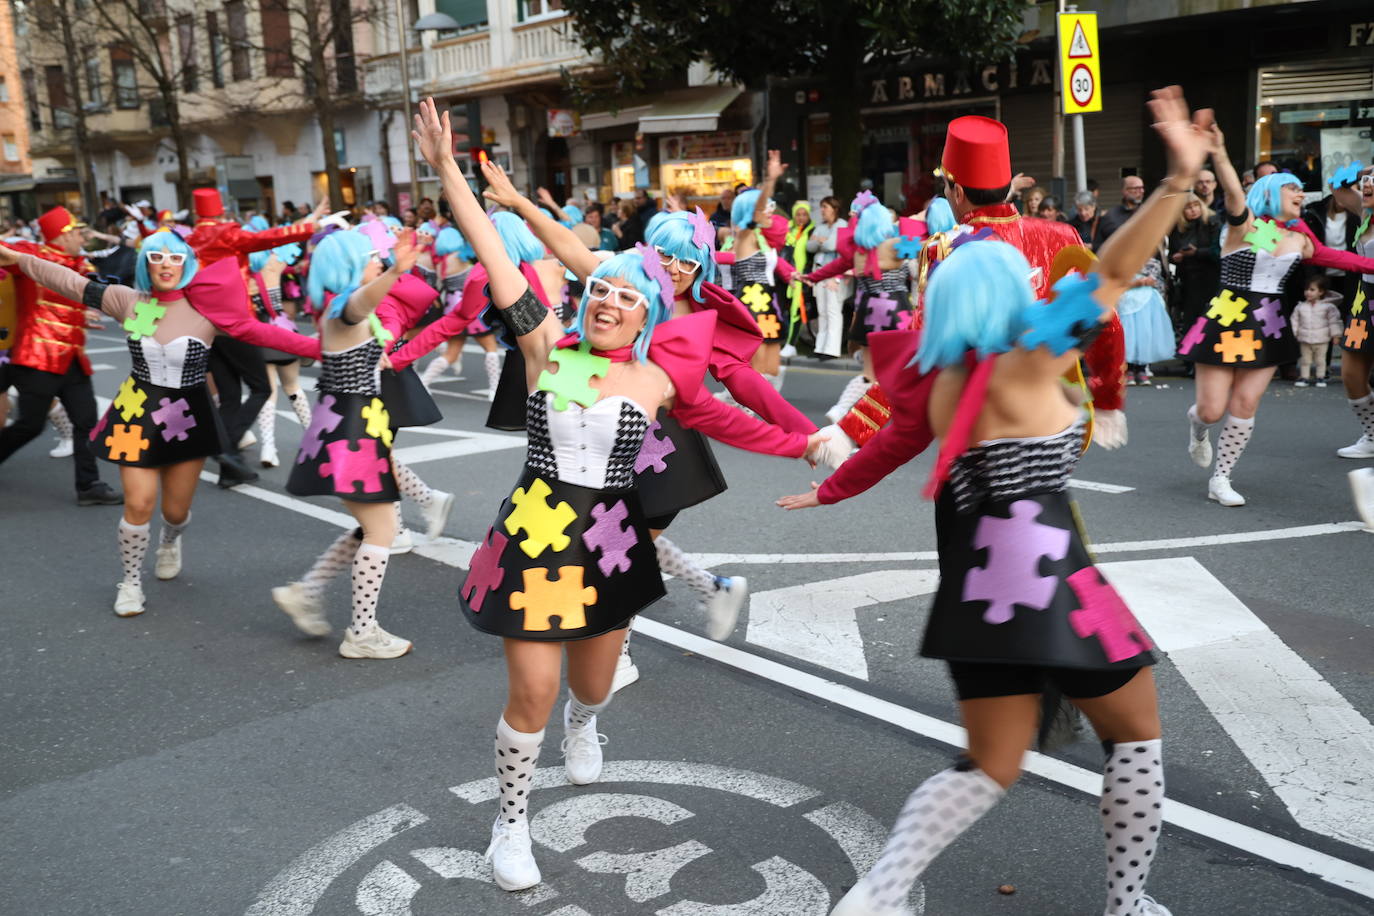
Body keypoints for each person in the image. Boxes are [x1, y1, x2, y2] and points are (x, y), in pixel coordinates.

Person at [782, 84, 1210, 916]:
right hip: (1048, 565)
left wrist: (831, 491)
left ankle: (879, 891)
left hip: (975, 577)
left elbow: (896, 440)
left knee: (990, 761)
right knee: (1138, 732)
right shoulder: (1031, 359)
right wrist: (1175, 181)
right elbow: (1119, 269)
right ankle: (1126, 903)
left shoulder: (941, 383)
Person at [409, 97, 823, 894]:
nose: (607, 301)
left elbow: (731, 422)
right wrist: (447, 172)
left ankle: (586, 722)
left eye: (627, 296)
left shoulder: (659, 379)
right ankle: (510, 825)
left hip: (608, 541)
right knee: (528, 689)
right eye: (600, 289)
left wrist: (809, 444)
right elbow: (496, 253)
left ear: (648, 314)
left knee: (590, 685)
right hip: (532, 534)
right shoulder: (545, 348)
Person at [0, 230, 320, 615]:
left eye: (174, 258)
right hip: (136, 412)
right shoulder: (127, 300)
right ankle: (131, 582)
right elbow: (68, 280)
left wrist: (334, 350)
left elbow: (265, 333)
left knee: (175, 512)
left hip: (188, 416)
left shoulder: (206, 310)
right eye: (157, 257)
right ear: (146, 263)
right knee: (138, 503)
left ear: (186, 263)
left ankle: (170, 539)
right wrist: (16, 257)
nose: (166, 265)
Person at [1179, 129, 1374, 506]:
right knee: (1210, 409)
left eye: (1302, 189)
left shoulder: (1300, 238)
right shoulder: (1247, 227)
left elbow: (1342, 259)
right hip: (1227, 316)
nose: (1302, 194)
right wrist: (1219, 154)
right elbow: (1234, 195)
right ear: (1271, 194)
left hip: (1267, 321)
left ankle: (1221, 478)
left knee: (1246, 403)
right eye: (1292, 189)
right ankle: (1198, 430)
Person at [271, 228, 435, 657]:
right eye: (372, 256)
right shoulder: (347, 309)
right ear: (348, 264)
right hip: (352, 431)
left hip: (355, 427)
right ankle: (361, 632)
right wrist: (397, 270)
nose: (378, 261)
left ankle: (306, 591)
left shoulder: (347, 314)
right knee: (382, 529)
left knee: (371, 525)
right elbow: (360, 304)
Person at [0, 206, 122, 505]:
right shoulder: (31, 255)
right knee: (30, 424)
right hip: (39, 356)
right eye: (78, 232)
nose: (83, 237)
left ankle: (89, 485)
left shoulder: (79, 264)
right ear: (62, 235)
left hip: (72, 358)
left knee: (87, 421)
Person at [1336, 167, 1374, 457]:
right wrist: (1358, 171)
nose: (1369, 186)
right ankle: (1372, 434)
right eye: (1367, 182)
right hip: (1365, 298)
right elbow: (1336, 186)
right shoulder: (1365, 213)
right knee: (1351, 371)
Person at [1120, 251, 1176, 386]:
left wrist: (1143, 282)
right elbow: (1120, 282)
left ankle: (1141, 369)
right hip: (1128, 301)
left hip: (1148, 302)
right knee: (1129, 335)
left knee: (1145, 334)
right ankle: (1129, 370)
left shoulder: (1153, 263)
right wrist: (1138, 282)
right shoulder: (1123, 261)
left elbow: (1155, 281)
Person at [1166, 192, 1221, 329]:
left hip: (1211, 276)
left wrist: (1196, 252)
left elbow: (1219, 251)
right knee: (1191, 319)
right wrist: (1176, 257)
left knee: (1211, 318)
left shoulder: (1212, 221)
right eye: (1188, 207)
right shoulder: (1178, 228)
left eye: (1196, 205)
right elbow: (1171, 253)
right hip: (1188, 279)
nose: (1193, 210)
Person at [806, 195, 850, 358]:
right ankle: (820, 346)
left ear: (834, 209)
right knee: (822, 311)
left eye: (825, 207)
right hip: (820, 272)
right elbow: (809, 246)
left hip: (835, 275)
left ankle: (832, 349)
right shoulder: (821, 226)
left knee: (833, 310)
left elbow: (833, 245)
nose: (822, 210)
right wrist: (822, 241)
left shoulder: (842, 225)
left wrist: (819, 241)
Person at [1291, 275, 1343, 387]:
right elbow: (1294, 321)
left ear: (1321, 292)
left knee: (1320, 360)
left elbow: (1334, 321)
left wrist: (1336, 335)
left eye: (1312, 290)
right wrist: (1294, 333)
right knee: (1305, 360)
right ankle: (1304, 377)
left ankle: (1320, 377)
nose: (1308, 292)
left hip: (1322, 339)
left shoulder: (1328, 307)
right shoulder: (1300, 307)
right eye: (1306, 289)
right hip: (1305, 338)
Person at [1097, 174, 1146, 243]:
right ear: (1124, 191)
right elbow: (1100, 245)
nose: (1141, 191)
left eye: (1142, 188)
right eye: (1136, 188)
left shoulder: (1149, 211)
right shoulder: (1110, 216)